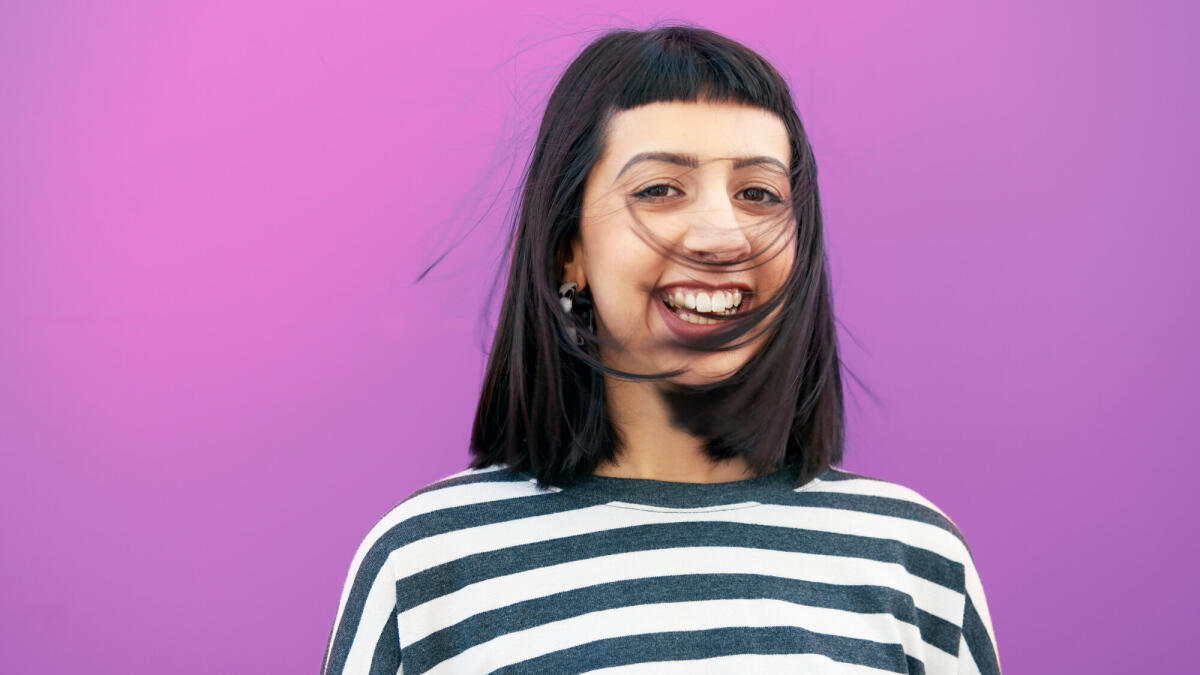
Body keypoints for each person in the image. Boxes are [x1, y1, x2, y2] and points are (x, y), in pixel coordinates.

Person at [320, 24, 1001, 675]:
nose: (721, 235)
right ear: (569, 252)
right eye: (659, 190)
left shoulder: (915, 559)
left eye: (759, 193)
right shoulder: (424, 564)